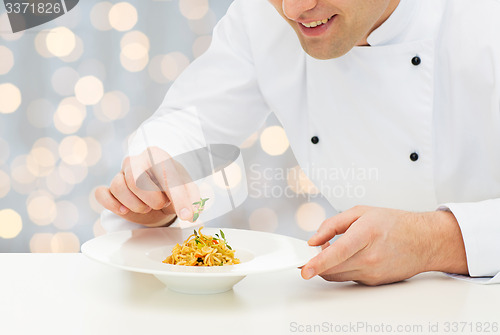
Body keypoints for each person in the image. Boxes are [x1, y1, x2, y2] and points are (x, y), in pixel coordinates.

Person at [96, 0, 500, 285]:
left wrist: (437, 241)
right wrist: (156, 187)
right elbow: (187, 123)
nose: (293, 8)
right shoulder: (261, 18)